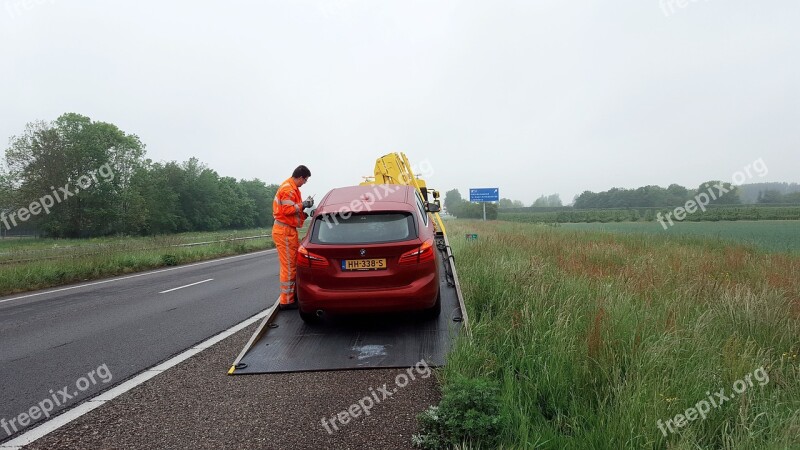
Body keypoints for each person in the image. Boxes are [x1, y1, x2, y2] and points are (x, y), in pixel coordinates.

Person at [272, 165, 313, 310]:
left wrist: (304, 212)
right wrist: (304, 205)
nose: (304, 183)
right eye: (305, 180)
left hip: (287, 230)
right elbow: (288, 210)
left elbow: (292, 211)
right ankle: (287, 301)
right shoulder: (288, 189)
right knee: (289, 267)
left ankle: (290, 297)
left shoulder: (292, 188)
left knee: (292, 265)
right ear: (301, 177)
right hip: (284, 231)